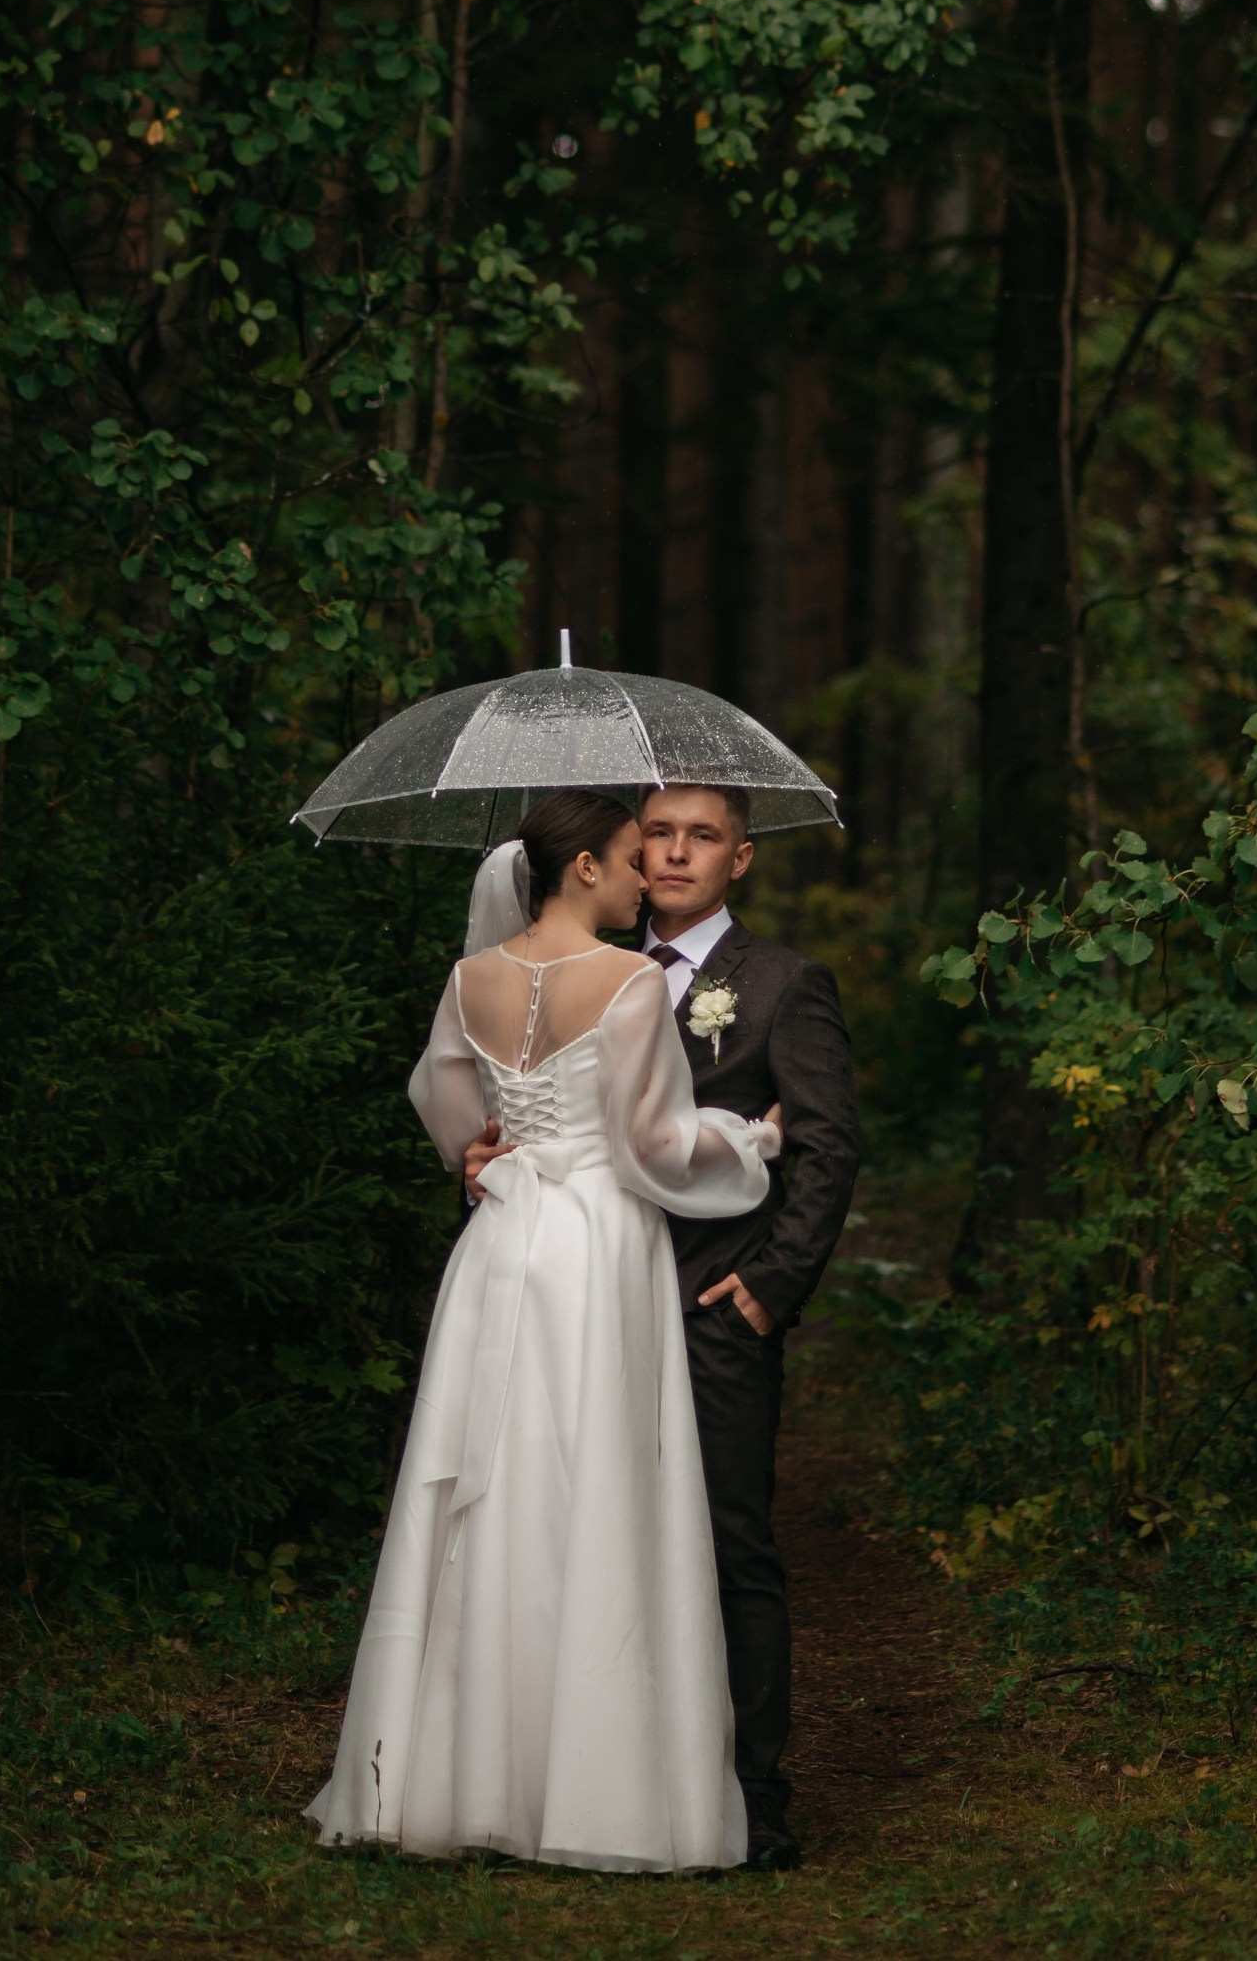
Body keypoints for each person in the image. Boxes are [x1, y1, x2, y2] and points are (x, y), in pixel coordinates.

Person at [306, 788, 784, 1873]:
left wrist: (484, 1151)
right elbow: (654, 1147)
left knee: (493, 1486)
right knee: (592, 1486)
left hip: (503, 1240)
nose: (640, 879)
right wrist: (746, 1140)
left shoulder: (468, 980)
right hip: (595, 1245)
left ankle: (454, 1771)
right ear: (581, 869)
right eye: (626, 859)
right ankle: (588, 1782)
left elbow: (444, 1102)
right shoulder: (625, 982)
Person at [467, 782, 860, 1872]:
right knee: (583, 1531)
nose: (676, 853)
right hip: (584, 1300)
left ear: (741, 858)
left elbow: (825, 1146)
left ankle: (751, 1792)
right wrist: (486, 1154)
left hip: (707, 1307)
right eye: (658, 835)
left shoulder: (783, 985)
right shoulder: (580, 972)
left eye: (703, 837)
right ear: (626, 852)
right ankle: (598, 1776)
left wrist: (772, 1288)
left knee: (728, 1543)